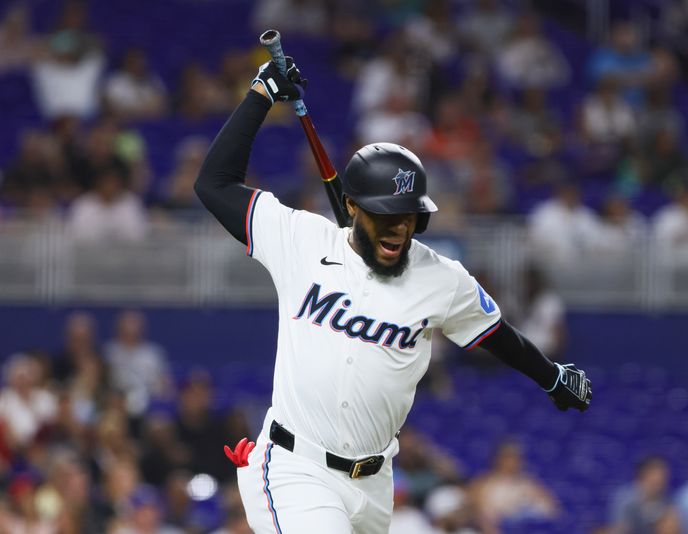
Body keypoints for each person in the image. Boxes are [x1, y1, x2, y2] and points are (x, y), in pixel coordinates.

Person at [194, 56, 591, 533]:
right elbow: (214, 183)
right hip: (297, 468)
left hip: (374, 483)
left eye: (409, 215)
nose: (400, 226)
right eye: (386, 213)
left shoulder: (441, 278)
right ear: (351, 207)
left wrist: (551, 376)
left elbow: (496, 335)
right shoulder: (301, 240)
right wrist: (260, 95)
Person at [469, 441, 561, 532]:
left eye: (516, 458)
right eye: (508, 457)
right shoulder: (482, 484)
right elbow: (480, 516)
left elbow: (553, 511)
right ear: (498, 459)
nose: (513, 462)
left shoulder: (529, 484)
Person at [609, 456, 674, 534]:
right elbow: (620, 529)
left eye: (663, 476)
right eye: (656, 476)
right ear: (644, 475)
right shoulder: (625, 500)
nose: (661, 480)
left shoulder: (666, 500)